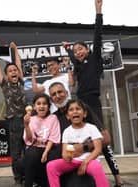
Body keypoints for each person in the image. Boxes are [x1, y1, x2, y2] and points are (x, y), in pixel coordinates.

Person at [63, 0, 123, 186]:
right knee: (75, 136)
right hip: (79, 102)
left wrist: (98, 11)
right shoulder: (78, 66)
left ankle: (117, 176)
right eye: (75, 51)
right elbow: (73, 57)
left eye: (80, 49)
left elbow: (98, 35)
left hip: (93, 103)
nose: (78, 53)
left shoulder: (95, 59)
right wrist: (68, 48)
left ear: (88, 50)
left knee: (103, 140)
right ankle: (77, 171)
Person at [49, 82, 123, 187]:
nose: (57, 96)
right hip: (70, 161)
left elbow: (105, 139)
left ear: (66, 92)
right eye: (54, 94)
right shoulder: (54, 118)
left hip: (88, 159)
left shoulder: (83, 109)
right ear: (51, 99)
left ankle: (118, 179)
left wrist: (83, 147)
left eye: (60, 92)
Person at [46, 99, 109, 187]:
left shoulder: (92, 128)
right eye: (71, 110)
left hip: (90, 160)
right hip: (73, 161)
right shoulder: (67, 132)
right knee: (51, 166)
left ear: (84, 113)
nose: (75, 111)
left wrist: (85, 162)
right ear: (68, 116)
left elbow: (98, 149)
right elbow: (64, 153)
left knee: (96, 167)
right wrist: (68, 157)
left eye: (78, 109)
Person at [0, 42, 27, 185]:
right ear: (7, 75)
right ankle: (18, 179)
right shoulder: (4, 85)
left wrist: (15, 49)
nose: (14, 72)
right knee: (16, 153)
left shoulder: (21, 82)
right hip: (13, 122)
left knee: (27, 151)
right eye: (10, 71)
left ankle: (28, 177)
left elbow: (18, 63)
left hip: (27, 121)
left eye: (15, 70)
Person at [23, 93, 61, 187]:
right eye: (38, 103)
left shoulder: (53, 118)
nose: (42, 106)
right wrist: (26, 125)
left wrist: (46, 152)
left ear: (48, 107)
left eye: (44, 103)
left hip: (49, 147)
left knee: (52, 156)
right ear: (34, 107)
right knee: (31, 154)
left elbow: (53, 137)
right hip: (36, 148)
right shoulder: (31, 119)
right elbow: (30, 139)